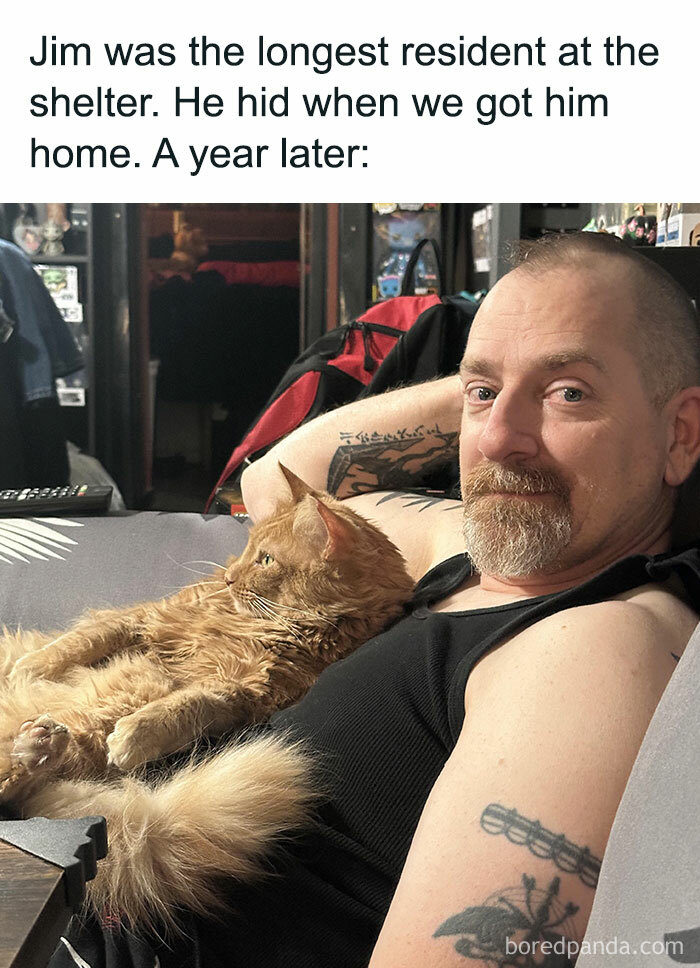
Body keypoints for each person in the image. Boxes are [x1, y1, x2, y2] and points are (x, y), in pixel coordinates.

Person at [53, 233, 700, 968]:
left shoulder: (594, 644)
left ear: (681, 435)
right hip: (69, 877)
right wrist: (492, 377)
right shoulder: (483, 552)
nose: (497, 439)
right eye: (481, 395)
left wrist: (505, 377)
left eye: (570, 393)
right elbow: (277, 483)